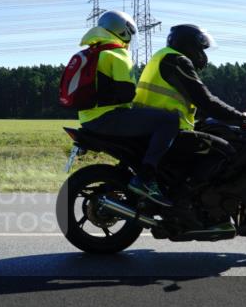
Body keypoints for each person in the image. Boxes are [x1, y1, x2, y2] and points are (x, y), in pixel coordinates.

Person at [134, 24, 246, 233]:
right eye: (200, 49)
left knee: (209, 142)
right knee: (224, 150)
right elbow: (205, 100)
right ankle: (183, 205)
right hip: (165, 130)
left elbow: (191, 101)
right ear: (189, 45)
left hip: (155, 127)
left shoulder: (164, 57)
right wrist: (244, 119)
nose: (202, 55)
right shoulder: (177, 60)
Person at [77, 11, 180, 207]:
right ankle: (146, 178)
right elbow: (126, 94)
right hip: (109, 117)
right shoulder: (117, 54)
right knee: (168, 120)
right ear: (123, 31)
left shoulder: (94, 51)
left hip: (89, 118)